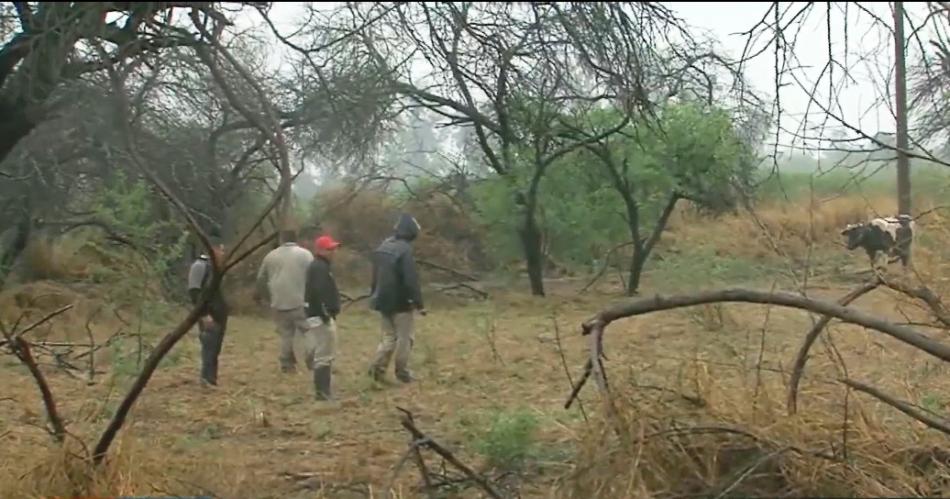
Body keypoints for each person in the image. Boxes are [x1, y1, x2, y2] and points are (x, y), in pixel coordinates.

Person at [368, 213, 426, 384]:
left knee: (388, 337)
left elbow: (375, 275)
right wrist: (418, 303)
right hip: (400, 302)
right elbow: (410, 280)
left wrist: (374, 294)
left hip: (382, 300)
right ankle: (402, 372)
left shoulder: (384, 246)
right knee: (405, 338)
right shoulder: (405, 250)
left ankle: (377, 369)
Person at [255, 229, 315, 373]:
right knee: (309, 331)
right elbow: (314, 276)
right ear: (296, 239)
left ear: (281, 239)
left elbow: (260, 279)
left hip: (278, 302)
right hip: (300, 301)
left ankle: (286, 365)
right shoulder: (305, 254)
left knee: (286, 335)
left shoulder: (270, 256)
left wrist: (268, 296)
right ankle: (311, 359)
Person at [187, 237, 230, 387]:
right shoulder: (200, 266)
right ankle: (206, 379)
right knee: (208, 348)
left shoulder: (216, 268)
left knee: (215, 350)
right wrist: (204, 315)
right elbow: (194, 292)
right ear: (213, 248)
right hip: (208, 316)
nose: (223, 253)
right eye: (221, 249)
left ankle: (212, 379)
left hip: (219, 315)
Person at [305, 235, 343, 400]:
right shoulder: (319, 268)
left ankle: (323, 391)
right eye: (330, 249)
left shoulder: (320, 266)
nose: (333, 252)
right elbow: (319, 293)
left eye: (334, 248)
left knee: (323, 352)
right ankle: (322, 393)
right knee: (324, 355)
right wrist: (326, 314)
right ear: (320, 250)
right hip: (321, 317)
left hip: (318, 315)